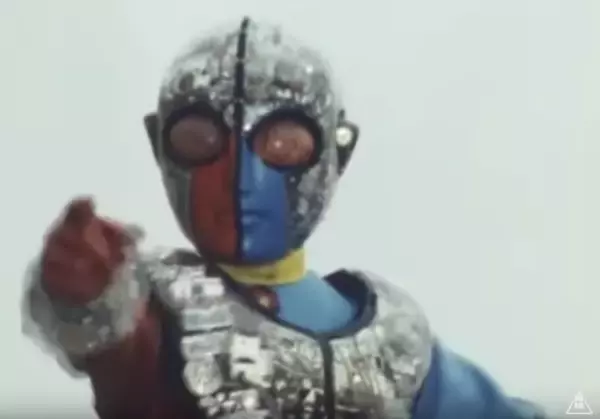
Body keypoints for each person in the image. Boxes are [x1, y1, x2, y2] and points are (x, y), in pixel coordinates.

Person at [22, 17, 545, 419]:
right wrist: (85, 292)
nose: (241, 177)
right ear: (160, 145)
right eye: (200, 140)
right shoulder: (154, 302)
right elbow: (106, 336)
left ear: (338, 153)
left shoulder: (394, 334)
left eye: (283, 144)